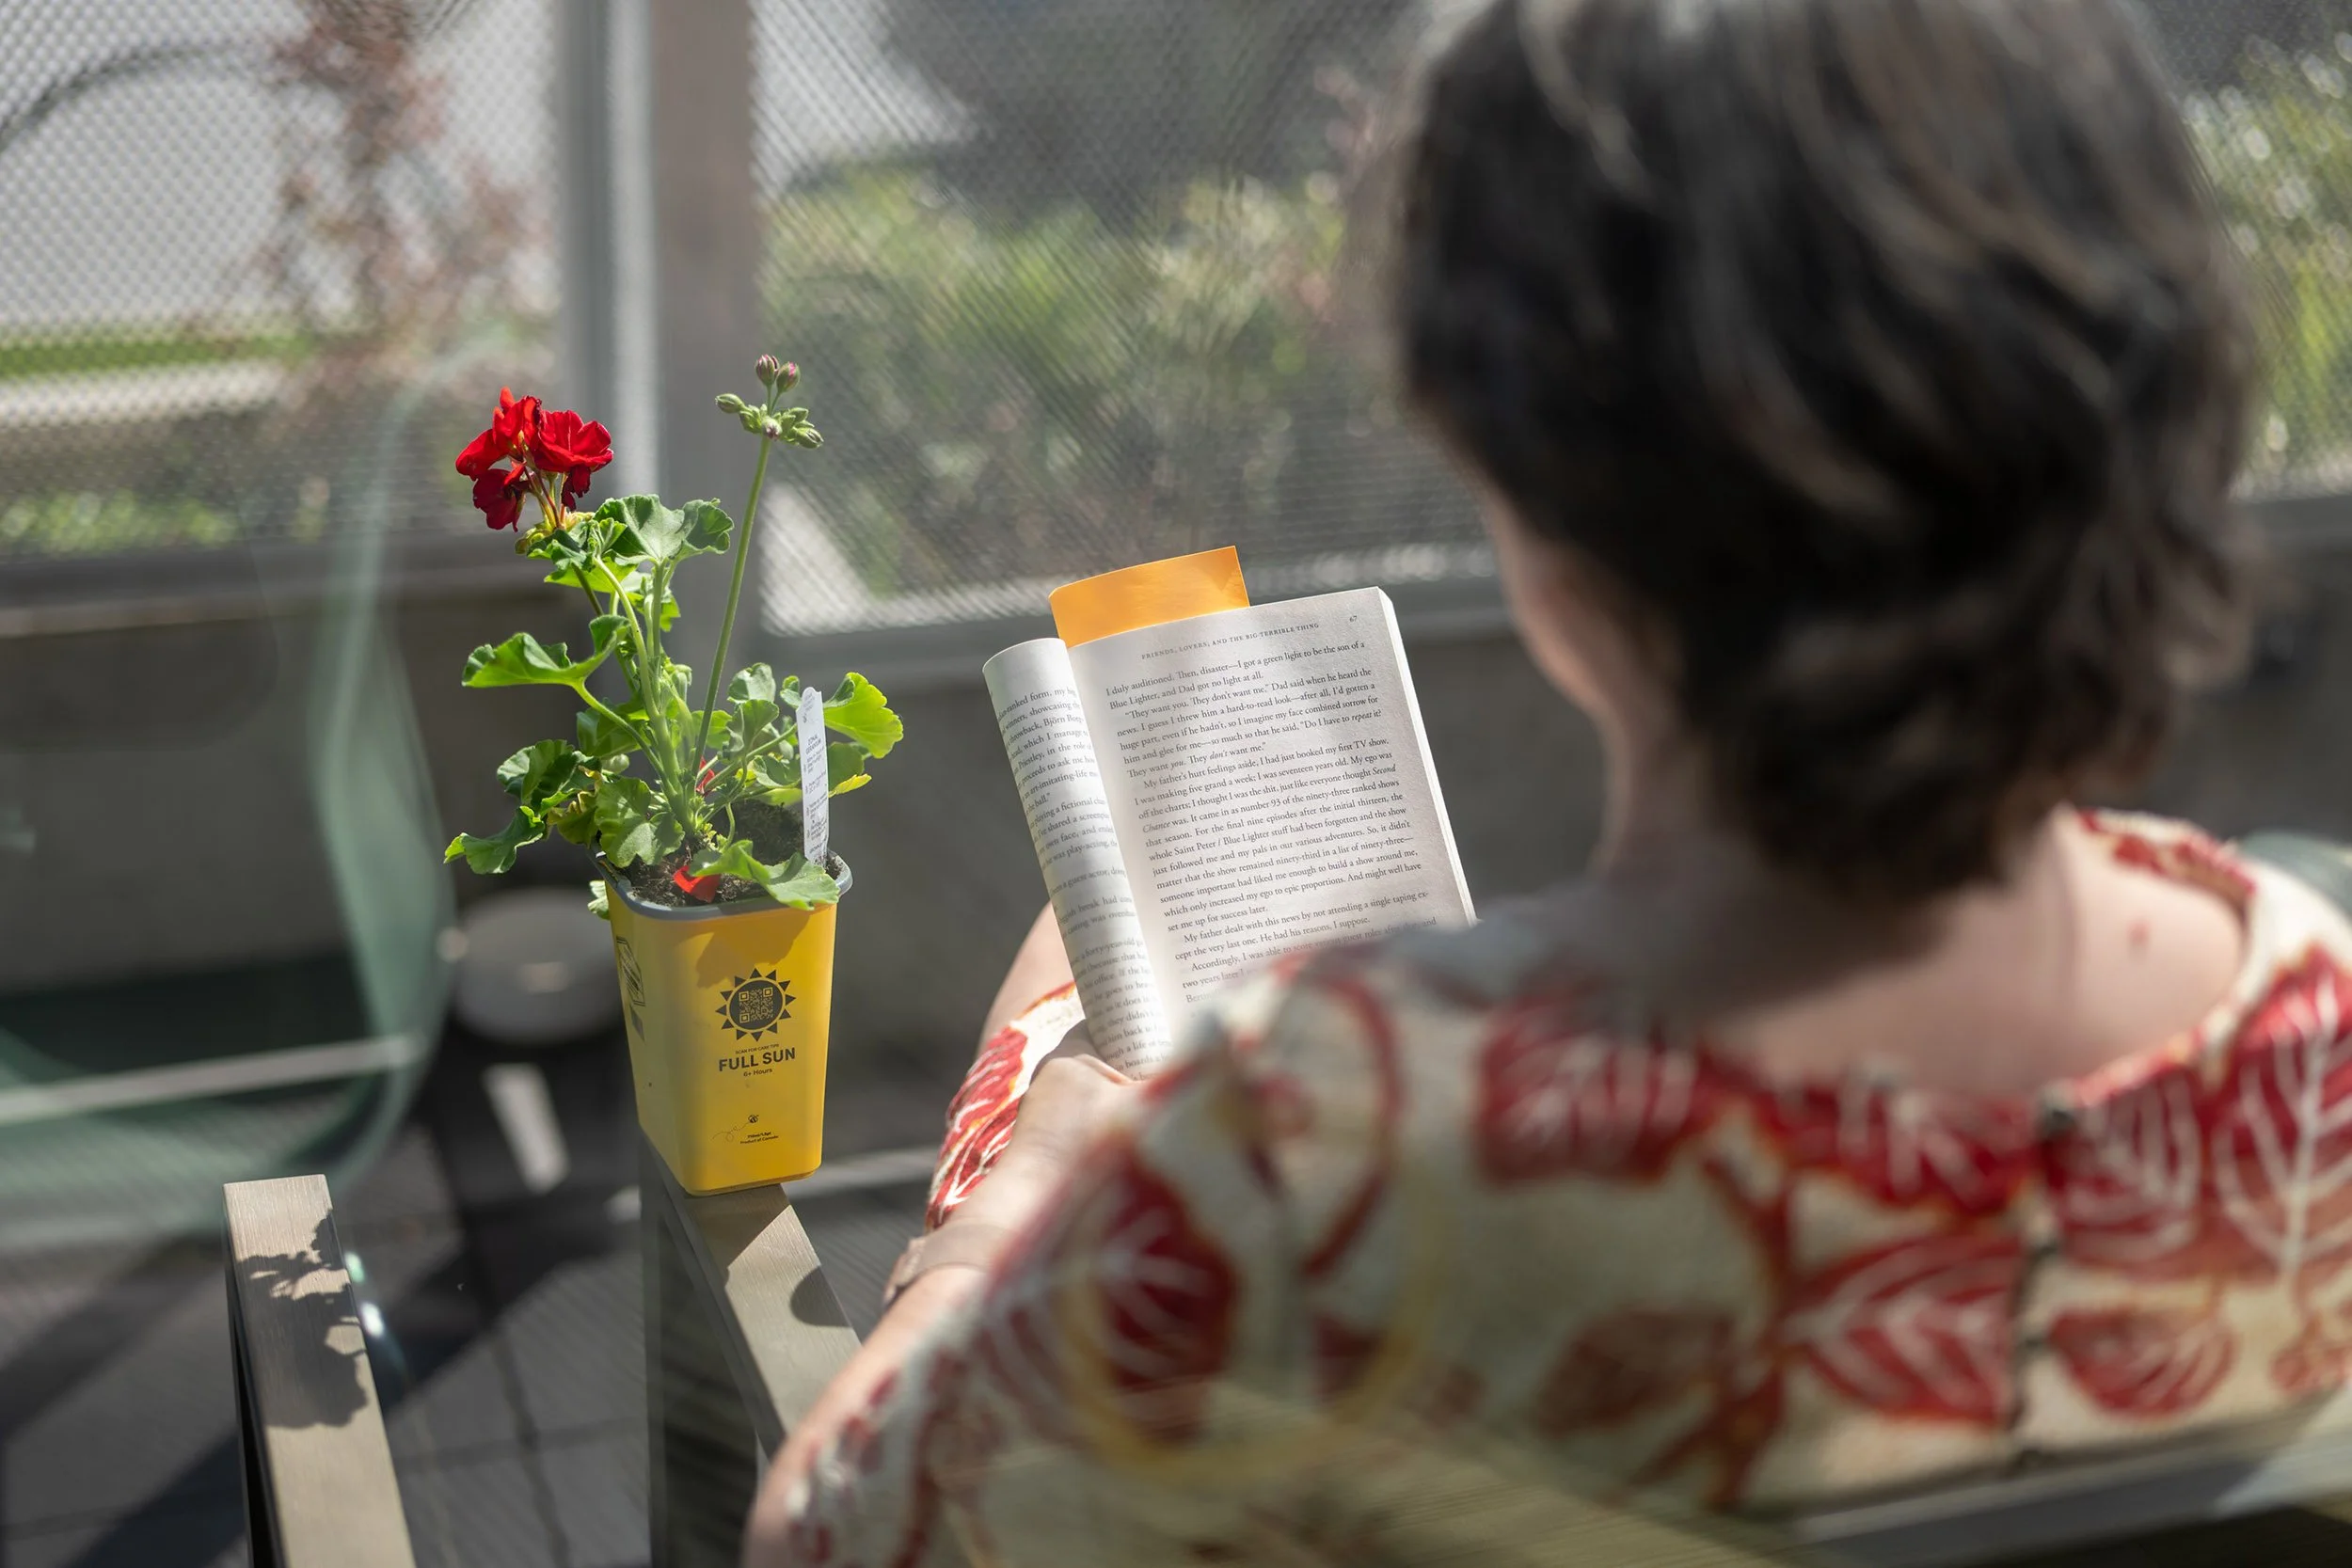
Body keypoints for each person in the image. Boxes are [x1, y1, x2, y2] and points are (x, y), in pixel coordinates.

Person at [746, 0, 2343, 1560]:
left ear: (1553, 520)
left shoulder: (1313, 1150)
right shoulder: (2306, 1015)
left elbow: (831, 1536)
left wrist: (1006, 1207)